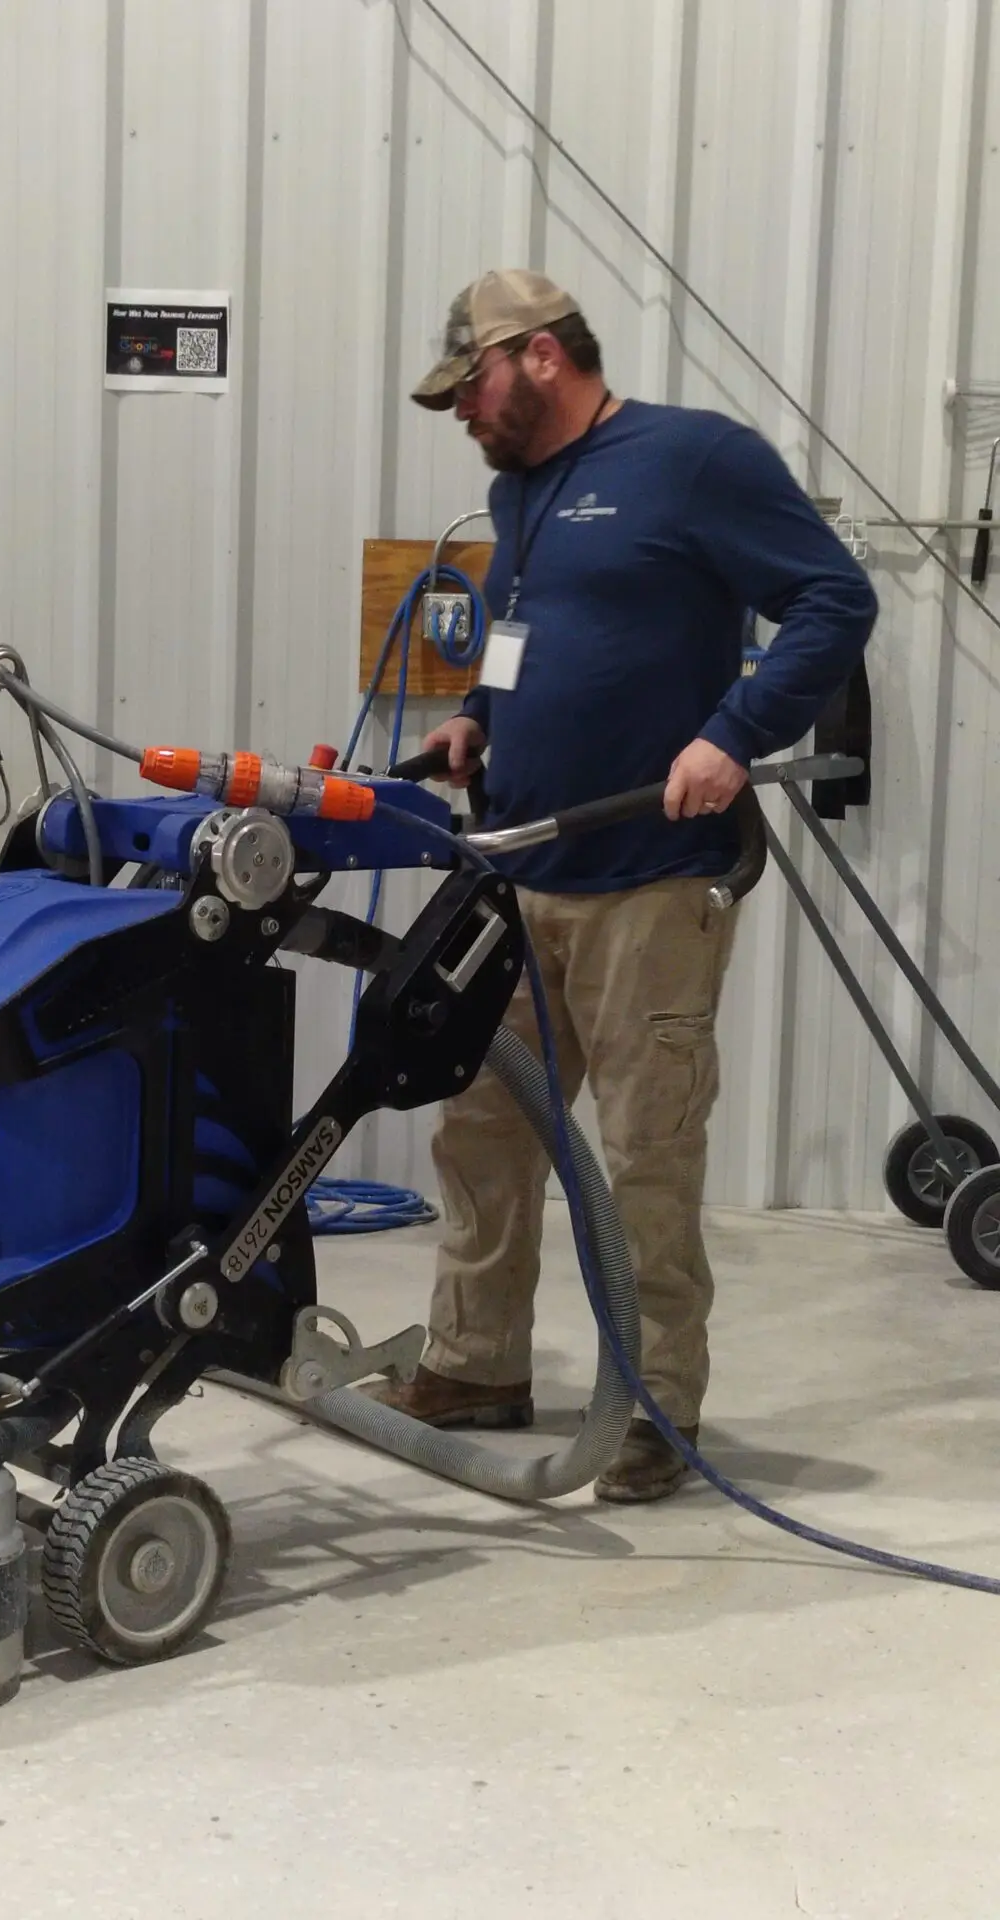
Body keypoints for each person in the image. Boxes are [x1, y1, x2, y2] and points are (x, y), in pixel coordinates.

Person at [367, 268, 877, 1502]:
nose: (461, 411)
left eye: (472, 385)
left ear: (542, 356)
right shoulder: (519, 489)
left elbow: (833, 600)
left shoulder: (693, 460)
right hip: (520, 871)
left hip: (649, 883)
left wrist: (734, 734)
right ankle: (475, 1365)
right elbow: (523, 629)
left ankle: (657, 1408)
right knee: (482, 1133)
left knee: (646, 1158)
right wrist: (477, 718)